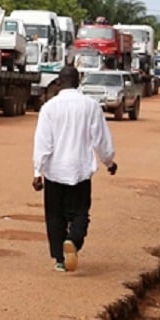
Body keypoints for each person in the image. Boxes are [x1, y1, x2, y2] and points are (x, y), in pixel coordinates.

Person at [32, 65, 117, 273]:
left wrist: (37, 172)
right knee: (80, 213)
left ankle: (60, 259)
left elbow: (43, 143)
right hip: (80, 170)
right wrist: (109, 162)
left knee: (54, 215)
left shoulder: (49, 108)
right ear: (78, 82)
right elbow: (101, 139)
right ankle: (73, 240)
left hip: (54, 171)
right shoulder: (91, 106)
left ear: (59, 83)